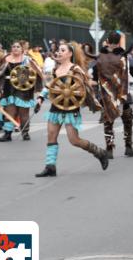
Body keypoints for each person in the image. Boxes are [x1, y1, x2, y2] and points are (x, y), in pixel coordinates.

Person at [34, 42, 109, 177]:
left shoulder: (76, 69)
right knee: (51, 136)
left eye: (62, 50)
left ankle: (99, 152)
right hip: (56, 106)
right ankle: (50, 166)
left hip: (71, 107)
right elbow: (49, 85)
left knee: (74, 140)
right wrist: (40, 98)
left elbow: (82, 88)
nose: (59, 52)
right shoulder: (55, 70)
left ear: (70, 54)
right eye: (58, 50)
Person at [93, 31, 133, 158]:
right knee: (127, 120)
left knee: (108, 121)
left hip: (107, 93)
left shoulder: (100, 57)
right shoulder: (125, 57)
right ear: (119, 42)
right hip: (122, 93)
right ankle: (128, 147)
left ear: (107, 41)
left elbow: (95, 75)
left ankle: (109, 149)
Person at [0, 41, 44, 142]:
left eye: (18, 47)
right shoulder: (6, 59)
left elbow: (39, 72)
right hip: (9, 88)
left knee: (23, 112)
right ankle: (7, 133)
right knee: (10, 111)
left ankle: (25, 133)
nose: (15, 48)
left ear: (22, 49)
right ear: (11, 48)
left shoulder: (28, 59)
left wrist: (39, 89)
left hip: (24, 89)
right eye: (13, 46)